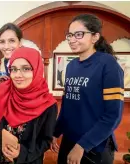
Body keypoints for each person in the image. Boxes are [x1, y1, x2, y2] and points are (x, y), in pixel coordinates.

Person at [51, 14, 124, 164]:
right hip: (69, 140)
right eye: (70, 35)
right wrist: (55, 133)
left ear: (95, 37)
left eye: (79, 34)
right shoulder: (71, 66)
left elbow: (113, 116)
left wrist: (82, 145)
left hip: (94, 146)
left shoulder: (108, 64)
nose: (72, 39)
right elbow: (67, 108)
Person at [0, 47, 58, 164]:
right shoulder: (5, 92)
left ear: (36, 70)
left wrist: (22, 152)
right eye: (14, 69)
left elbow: (46, 141)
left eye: (25, 69)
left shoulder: (48, 104)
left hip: (28, 160)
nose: (18, 75)